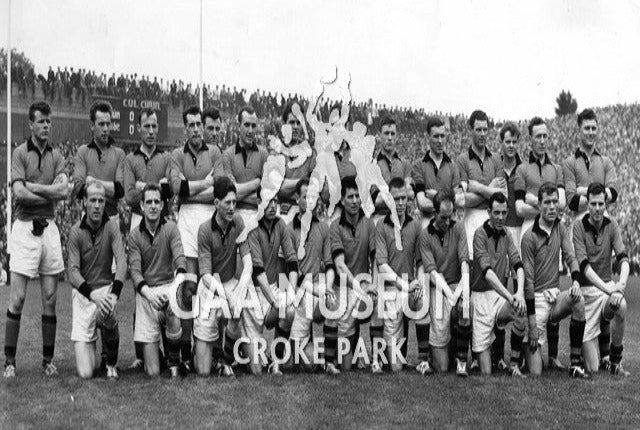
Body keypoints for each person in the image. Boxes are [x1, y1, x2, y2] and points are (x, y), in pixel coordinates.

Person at [5, 101, 70, 378]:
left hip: (50, 228)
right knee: (17, 298)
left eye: (49, 122)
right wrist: (48, 192)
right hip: (23, 227)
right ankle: (10, 361)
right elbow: (18, 194)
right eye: (41, 121)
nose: (46, 126)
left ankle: (47, 361)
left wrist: (35, 187)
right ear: (31, 124)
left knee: (51, 298)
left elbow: (64, 191)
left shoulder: (56, 156)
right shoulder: (20, 153)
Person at [562, 108, 619, 370]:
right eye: (587, 128)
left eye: (594, 128)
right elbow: (572, 200)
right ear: (579, 129)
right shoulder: (569, 163)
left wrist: (594, 194)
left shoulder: (605, 161)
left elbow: (613, 193)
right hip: (580, 223)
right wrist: (597, 191)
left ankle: (607, 355)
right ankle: (580, 352)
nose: (591, 132)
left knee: (604, 276)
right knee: (585, 275)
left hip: (601, 220)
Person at [170, 105, 223, 372]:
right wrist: (205, 183)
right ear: (185, 128)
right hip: (187, 221)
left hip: (209, 219)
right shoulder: (177, 155)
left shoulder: (214, 152)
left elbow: (222, 187)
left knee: (210, 286)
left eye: (198, 124)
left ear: (203, 125)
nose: (195, 129)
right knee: (188, 287)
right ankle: (187, 350)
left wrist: (191, 190)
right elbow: (176, 190)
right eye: (190, 125)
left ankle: (213, 350)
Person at [520, 183, 588, 378]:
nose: (552, 207)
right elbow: (529, 283)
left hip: (555, 297)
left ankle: (575, 364)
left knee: (579, 300)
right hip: (538, 300)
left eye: (555, 202)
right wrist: (532, 324)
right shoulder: (529, 237)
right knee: (536, 372)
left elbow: (571, 257)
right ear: (539, 205)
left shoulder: (560, 227)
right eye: (547, 202)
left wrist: (575, 282)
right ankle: (528, 348)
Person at [123, 108, 173, 370]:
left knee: (164, 280)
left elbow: (171, 191)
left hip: (161, 221)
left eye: (155, 126)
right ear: (139, 128)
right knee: (139, 289)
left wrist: (147, 188)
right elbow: (130, 196)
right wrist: (154, 188)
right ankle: (141, 352)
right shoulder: (131, 159)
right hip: (137, 220)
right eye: (147, 126)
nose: (152, 131)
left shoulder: (166, 157)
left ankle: (167, 348)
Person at [514, 117, 566, 370]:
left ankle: (553, 356)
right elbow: (519, 207)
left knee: (552, 286)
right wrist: (541, 203)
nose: (543, 141)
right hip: (531, 229)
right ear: (531, 139)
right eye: (538, 137)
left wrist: (541, 203)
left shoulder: (556, 169)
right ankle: (524, 352)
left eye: (546, 136)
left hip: (551, 228)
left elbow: (562, 203)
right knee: (529, 285)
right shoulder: (523, 169)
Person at [193, 177, 252, 377]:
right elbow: (206, 276)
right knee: (202, 371)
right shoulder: (204, 229)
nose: (232, 207)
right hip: (210, 286)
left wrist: (238, 292)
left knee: (238, 310)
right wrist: (226, 295)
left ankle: (226, 359)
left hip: (230, 283)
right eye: (228, 202)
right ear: (216, 203)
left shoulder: (238, 222)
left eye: (234, 202)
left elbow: (248, 264)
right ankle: (205, 349)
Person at [67, 181, 126, 379]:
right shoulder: (75, 231)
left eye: (101, 201)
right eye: (93, 200)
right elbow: (73, 272)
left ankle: (111, 362)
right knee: (86, 373)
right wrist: (92, 295)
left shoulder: (111, 227)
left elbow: (122, 263)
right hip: (85, 297)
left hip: (105, 292)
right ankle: (94, 345)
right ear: (85, 202)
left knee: (108, 313)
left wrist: (114, 296)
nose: (97, 205)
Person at [128, 184, 187, 377]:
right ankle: (161, 356)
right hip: (147, 294)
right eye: (149, 202)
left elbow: (180, 261)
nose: (153, 206)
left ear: (162, 205)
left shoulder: (171, 228)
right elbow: (136, 273)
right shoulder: (134, 235)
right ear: (142, 206)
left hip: (168, 287)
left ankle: (174, 361)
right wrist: (150, 294)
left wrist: (174, 290)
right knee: (152, 372)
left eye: (156, 202)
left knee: (174, 309)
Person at [573, 183, 630, 376]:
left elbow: (623, 258)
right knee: (592, 368)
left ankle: (615, 361)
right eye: (593, 204)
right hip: (587, 294)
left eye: (601, 204)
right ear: (587, 204)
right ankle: (584, 350)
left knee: (621, 306)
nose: (597, 208)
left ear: (606, 204)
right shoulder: (578, 226)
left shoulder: (612, 224)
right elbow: (584, 268)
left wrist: (621, 285)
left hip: (606, 291)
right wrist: (610, 290)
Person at [470, 192, 526, 377]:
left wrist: (518, 293)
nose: (501, 217)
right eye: (496, 213)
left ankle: (514, 365)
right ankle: (480, 354)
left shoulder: (507, 233)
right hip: (480, 297)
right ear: (488, 212)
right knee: (486, 372)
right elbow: (487, 274)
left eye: (503, 212)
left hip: (499, 297)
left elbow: (518, 264)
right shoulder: (479, 234)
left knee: (519, 310)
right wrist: (510, 296)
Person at [375, 178, 426, 373]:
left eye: (404, 198)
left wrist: (419, 284)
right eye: (396, 199)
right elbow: (382, 266)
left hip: (410, 288)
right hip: (390, 289)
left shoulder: (416, 225)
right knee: (395, 368)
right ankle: (393, 356)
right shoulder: (381, 225)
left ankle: (423, 360)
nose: (401, 203)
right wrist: (405, 286)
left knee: (423, 300)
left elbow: (420, 262)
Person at [418, 190, 471, 376]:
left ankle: (462, 360)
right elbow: (431, 272)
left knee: (465, 307)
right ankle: (440, 353)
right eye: (444, 217)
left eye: (451, 216)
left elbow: (464, 261)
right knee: (441, 367)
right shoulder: (425, 236)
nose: (448, 222)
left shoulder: (458, 228)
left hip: (457, 283)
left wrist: (463, 293)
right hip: (438, 288)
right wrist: (450, 295)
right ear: (434, 213)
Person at [246, 189, 298, 375]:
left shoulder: (281, 224)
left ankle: (276, 361)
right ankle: (239, 352)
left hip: (273, 287)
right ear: (259, 202)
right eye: (268, 202)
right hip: (254, 293)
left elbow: (292, 261)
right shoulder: (251, 228)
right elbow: (258, 271)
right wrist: (274, 302)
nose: (273, 205)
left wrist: (291, 292)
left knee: (290, 310)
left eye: (275, 200)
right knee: (255, 370)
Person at [330, 176, 377, 374]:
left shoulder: (369, 224)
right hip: (345, 289)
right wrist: (358, 288)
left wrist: (373, 284)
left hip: (365, 288)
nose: (355, 200)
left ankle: (376, 360)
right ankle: (342, 354)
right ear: (342, 200)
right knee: (346, 367)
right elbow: (340, 265)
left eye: (358, 196)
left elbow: (375, 259)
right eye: (350, 196)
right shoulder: (335, 226)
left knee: (381, 302)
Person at [287, 179, 335, 370]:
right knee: (304, 365)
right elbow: (292, 271)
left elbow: (330, 264)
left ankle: (329, 362)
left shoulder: (323, 228)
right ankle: (303, 350)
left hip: (318, 292)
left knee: (333, 303)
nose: (310, 201)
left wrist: (328, 287)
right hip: (299, 292)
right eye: (305, 196)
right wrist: (315, 290)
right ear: (297, 198)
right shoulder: (288, 229)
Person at [456, 110, 506, 259]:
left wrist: (479, 188)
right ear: (471, 130)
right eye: (478, 129)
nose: (483, 133)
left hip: (493, 218)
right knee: (473, 269)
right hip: (471, 220)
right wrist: (491, 190)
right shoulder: (463, 160)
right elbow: (462, 200)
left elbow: (503, 195)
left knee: (494, 268)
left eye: (485, 129)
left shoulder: (496, 159)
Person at [72, 100, 125, 219]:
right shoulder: (83, 151)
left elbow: (119, 191)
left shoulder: (119, 154)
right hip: (88, 219)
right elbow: (79, 189)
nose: (106, 129)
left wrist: (93, 181)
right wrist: (108, 188)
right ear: (92, 125)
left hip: (112, 218)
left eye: (108, 124)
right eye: (101, 124)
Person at [221, 106, 269, 226]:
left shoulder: (264, 154)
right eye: (246, 125)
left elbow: (266, 196)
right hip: (234, 218)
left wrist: (238, 192)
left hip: (258, 217)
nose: (250, 130)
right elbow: (227, 195)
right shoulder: (228, 155)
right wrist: (256, 183)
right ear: (238, 126)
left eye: (253, 126)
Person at [412, 117, 463, 228]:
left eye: (442, 136)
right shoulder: (419, 165)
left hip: (449, 224)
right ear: (428, 137)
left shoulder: (453, 166)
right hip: (427, 224)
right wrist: (448, 201)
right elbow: (422, 203)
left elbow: (460, 201)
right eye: (436, 136)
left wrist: (435, 195)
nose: (440, 141)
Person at [276, 101, 316, 224]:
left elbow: (314, 187)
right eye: (291, 122)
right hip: (280, 211)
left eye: (298, 123)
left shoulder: (311, 154)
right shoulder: (276, 153)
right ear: (284, 124)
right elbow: (278, 188)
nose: (295, 126)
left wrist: (286, 183)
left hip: (303, 213)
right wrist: (304, 181)